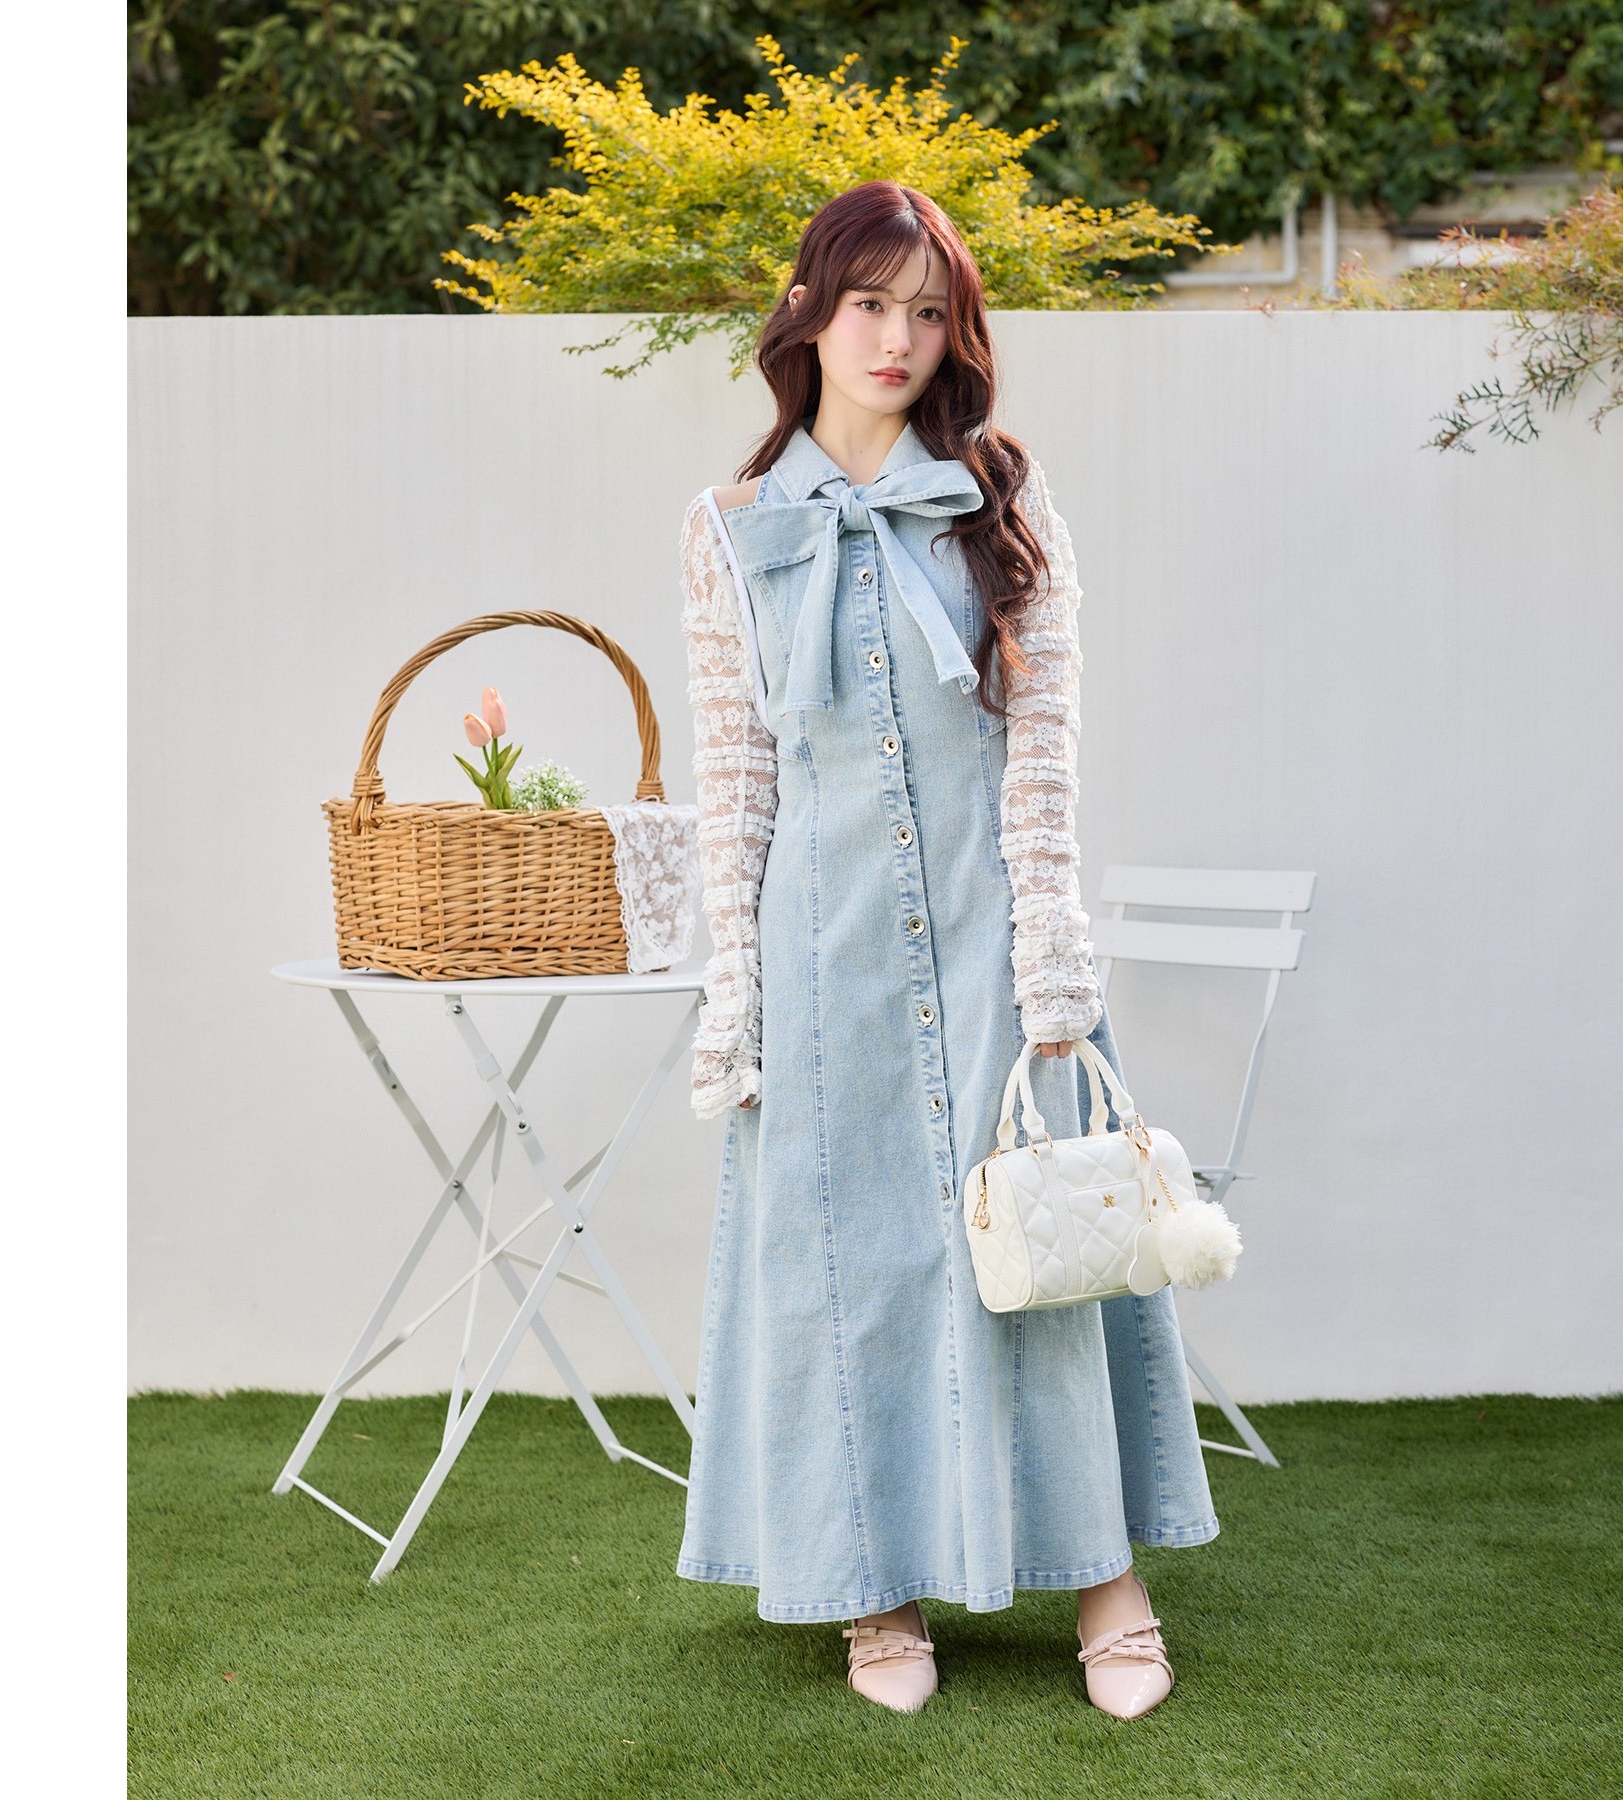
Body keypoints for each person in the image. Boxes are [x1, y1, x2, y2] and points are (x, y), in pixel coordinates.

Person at [675, 180, 1217, 1719]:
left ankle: (1108, 1585)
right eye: (870, 304)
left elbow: (1041, 743)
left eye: (928, 311)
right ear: (809, 311)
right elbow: (738, 777)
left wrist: (1052, 953)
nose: (897, 338)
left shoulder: (1004, 501)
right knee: (849, 1272)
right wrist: (737, 996)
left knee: (1037, 1259)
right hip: (820, 950)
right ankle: (876, 1591)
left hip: (994, 938)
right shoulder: (728, 529)